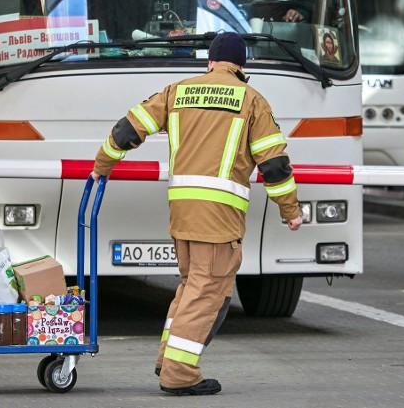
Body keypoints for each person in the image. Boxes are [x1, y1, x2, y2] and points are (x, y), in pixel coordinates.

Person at [91, 31, 303, 396]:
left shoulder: (178, 91)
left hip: (182, 213)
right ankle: (178, 374)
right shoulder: (251, 101)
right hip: (218, 218)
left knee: (191, 288)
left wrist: (102, 164)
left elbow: (128, 128)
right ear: (241, 66)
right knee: (206, 292)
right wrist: (291, 211)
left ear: (209, 62)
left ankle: (166, 359)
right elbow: (275, 166)